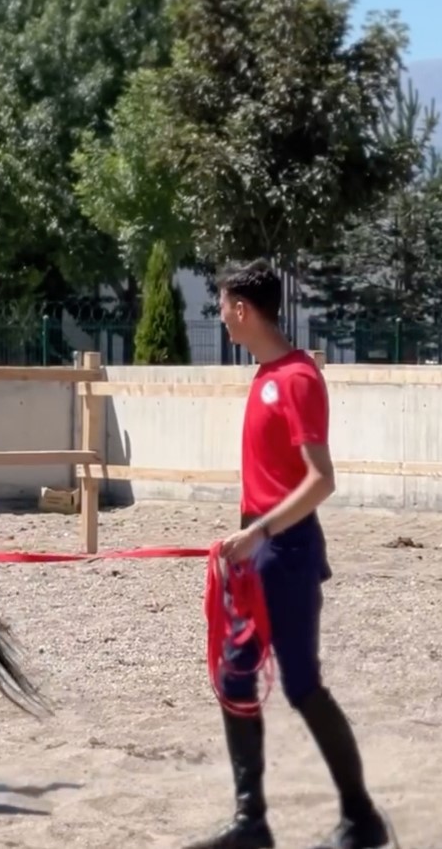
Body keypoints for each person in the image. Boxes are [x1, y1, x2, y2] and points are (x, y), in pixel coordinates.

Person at [184, 259, 392, 849]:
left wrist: (261, 533)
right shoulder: (263, 376)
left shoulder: (296, 378)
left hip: (288, 548)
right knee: (234, 674)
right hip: (259, 548)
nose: (220, 317)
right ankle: (252, 820)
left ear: (243, 309)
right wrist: (247, 537)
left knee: (302, 685)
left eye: (222, 305)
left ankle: (362, 818)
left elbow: (321, 479)